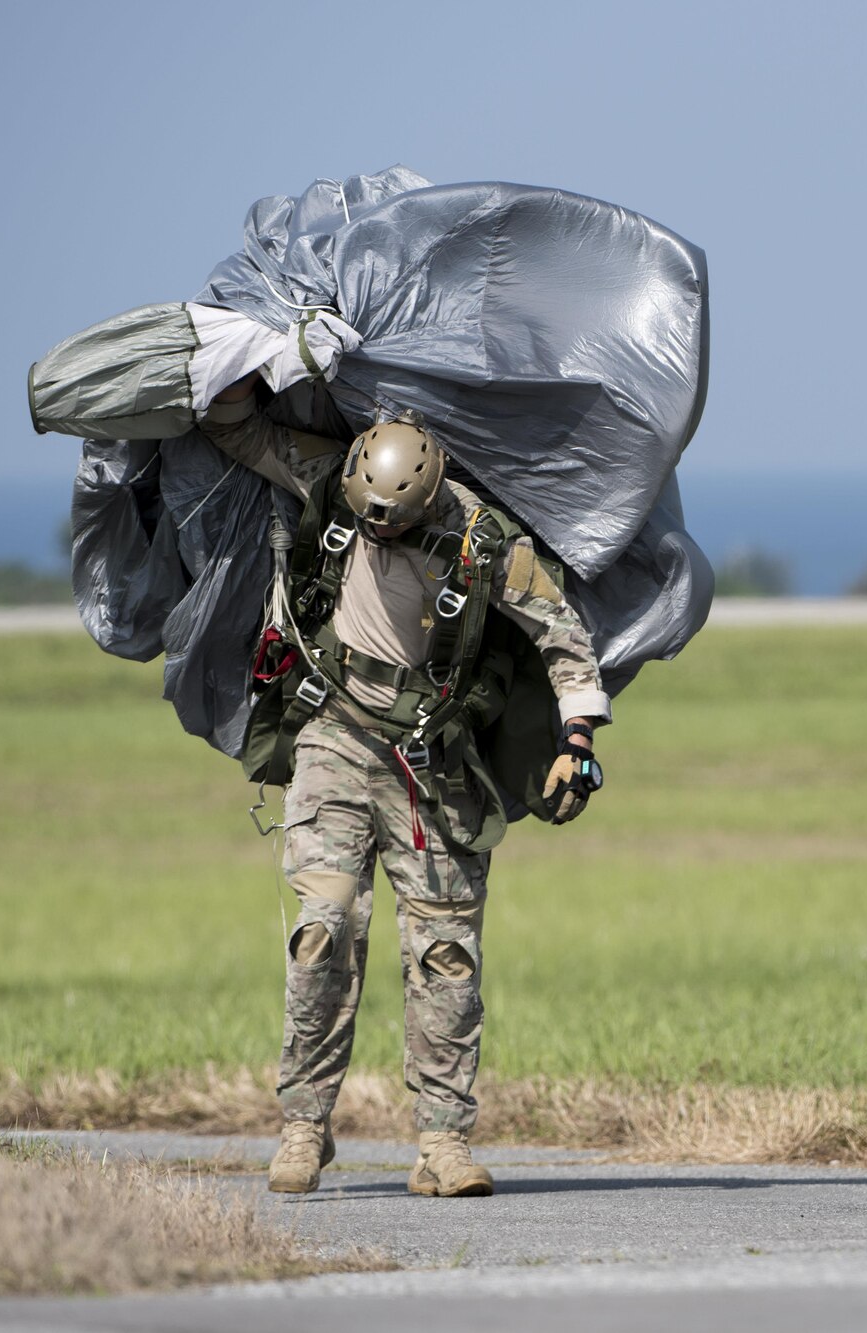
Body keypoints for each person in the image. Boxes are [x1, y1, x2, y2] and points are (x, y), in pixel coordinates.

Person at [200, 372, 609, 1198]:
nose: (377, 532)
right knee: (322, 928)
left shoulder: (487, 544)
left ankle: (444, 1143)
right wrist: (244, 375)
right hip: (333, 738)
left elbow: (567, 642)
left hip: (431, 764)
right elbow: (239, 435)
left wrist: (577, 740)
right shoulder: (332, 481)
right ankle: (303, 1128)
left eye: (395, 523)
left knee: (447, 956)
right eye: (367, 520)